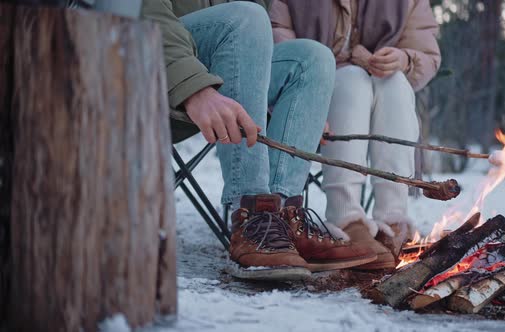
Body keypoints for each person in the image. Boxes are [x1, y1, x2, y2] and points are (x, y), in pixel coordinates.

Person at [141, 0, 376, 280]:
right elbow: (140, 9)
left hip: (210, 63)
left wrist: (296, 105)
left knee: (312, 57)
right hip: (138, 58)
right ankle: (253, 215)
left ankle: (281, 218)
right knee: (245, 17)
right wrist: (195, 87)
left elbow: (250, 45)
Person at [270, 0, 441, 269]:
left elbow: (426, 51)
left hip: (381, 96)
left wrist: (406, 58)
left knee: (395, 82)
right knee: (351, 79)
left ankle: (393, 219)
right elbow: (280, 45)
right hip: (312, 94)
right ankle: (346, 217)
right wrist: (307, 100)